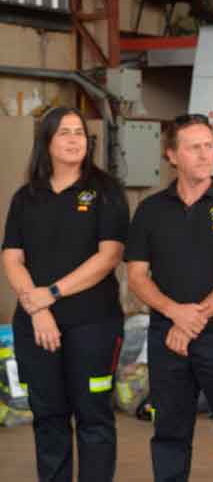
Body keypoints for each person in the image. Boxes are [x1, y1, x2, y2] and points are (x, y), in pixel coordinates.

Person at [125, 113, 213, 482]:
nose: (205, 155)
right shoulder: (151, 210)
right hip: (166, 335)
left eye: (209, 146)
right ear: (172, 155)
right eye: (194, 148)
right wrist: (174, 314)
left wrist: (191, 320)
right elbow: (136, 276)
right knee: (169, 432)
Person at [1, 106, 129, 482]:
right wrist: (37, 308)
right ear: (47, 142)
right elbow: (12, 258)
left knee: (93, 418)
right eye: (65, 132)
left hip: (93, 324)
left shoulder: (105, 190)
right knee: (49, 418)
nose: (74, 140)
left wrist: (51, 294)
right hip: (37, 327)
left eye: (79, 133)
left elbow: (109, 257)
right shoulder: (27, 197)